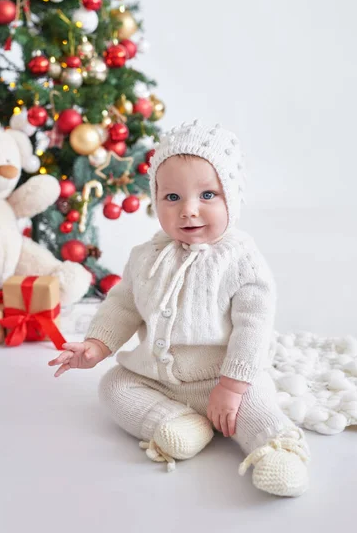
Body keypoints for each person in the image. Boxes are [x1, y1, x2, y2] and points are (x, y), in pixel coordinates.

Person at [48, 120, 310, 497]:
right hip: (157, 379)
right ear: (156, 200)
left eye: (207, 196)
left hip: (222, 379)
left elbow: (254, 325)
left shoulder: (240, 259)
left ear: (231, 199)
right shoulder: (147, 256)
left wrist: (233, 386)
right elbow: (124, 305)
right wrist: (97, 346)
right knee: (113, 386)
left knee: (256, 406)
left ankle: (279, 449)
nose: (188, 210)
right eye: (172, 197)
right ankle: (178, 422)